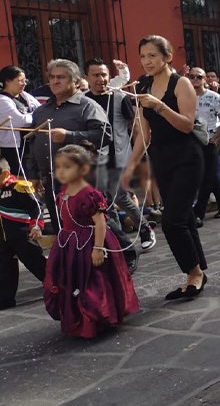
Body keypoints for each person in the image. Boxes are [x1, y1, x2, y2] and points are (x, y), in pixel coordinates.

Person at [123, 35, 207, 300]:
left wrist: (160, 106)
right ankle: (197, 271)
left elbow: (186, 125)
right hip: (160, 158)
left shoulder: (180, 83)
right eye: (143, 56)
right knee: (183, 220)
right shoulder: (144, 85)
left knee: (172, 221)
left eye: (152, 56)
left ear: (167, 57)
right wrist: (130, 166)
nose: (147, 61)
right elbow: (143, 134)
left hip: (186, 156)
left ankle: (194, 274)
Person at [43, 144, 139, 337]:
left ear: (84, 169)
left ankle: (97, 317)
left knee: (93, 281)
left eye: (67, 167)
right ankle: (78, 317)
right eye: (58, 167)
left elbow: (101, 222)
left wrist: (98, 248)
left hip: (90, 241)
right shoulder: (63, 192)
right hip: (69, 244)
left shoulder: (89, 194)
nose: (61, 171)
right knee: (73, 280)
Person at [26, 59, 112, 235]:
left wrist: (69, 135)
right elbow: (34, 142)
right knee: (63, 228)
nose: (55, 81)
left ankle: (123, 256)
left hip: (83, 177)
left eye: (61, 77)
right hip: (52, 178)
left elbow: (104, 135)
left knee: (96, 225)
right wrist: (33, 173)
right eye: (52, 77)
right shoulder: (41, 111)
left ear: (76, 82)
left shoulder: (87, 106)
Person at [84, 58, 157, 253]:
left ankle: (144, 229)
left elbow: (134, 127)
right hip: (94, 159)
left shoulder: (118, 96)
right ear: (87, 77)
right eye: (96, 75)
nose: (101, 79)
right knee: (105, 201)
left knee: (120, 197)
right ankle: (120, 239)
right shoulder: (84, 100)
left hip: (118, 156)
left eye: (104, 74)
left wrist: (136, 155)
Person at [0, 158, 45, 310]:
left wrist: (36, 226)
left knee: (37, 264)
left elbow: (36, 208)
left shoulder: (19, 188)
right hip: (3, 240)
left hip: (23, 236)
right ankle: (5, 299)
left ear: (5, 173)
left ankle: (58, 286)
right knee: (4, 270)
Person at [189, 67, 220, 225]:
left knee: (206, 177)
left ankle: (199, 213)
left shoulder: (214, 96)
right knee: (207, 175)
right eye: (191, 76)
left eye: (198, 77)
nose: (195, 79)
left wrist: (215, 137)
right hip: (194, 140)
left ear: (204, 79)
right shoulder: (187, 97)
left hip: (212, 140)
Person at [0, 66, 39, 175]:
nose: (24, 83)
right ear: (8, 81)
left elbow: (42, 111)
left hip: (31, 142)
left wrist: (33, 115)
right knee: (21, 174)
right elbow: (21, 121)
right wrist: (35, 115)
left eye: (25, 80)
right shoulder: (2, 100)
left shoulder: (25, 95)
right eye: (20, 80)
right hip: (15, 146)